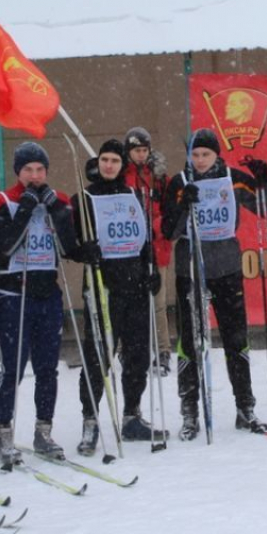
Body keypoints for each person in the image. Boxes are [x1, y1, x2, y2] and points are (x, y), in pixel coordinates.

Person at [161, 128, 267, 441]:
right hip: (191, 268)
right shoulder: (180, 181)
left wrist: (264, 179)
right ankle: (190, 412)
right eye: (195, 155)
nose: (200, 161)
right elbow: (168, 231)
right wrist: (184, 204)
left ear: (216, 154)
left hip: (226, 267)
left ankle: (245, 408)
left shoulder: (233, 177)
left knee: (235, 337)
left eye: (205, 154)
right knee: (191, 341)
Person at [0, 142, 80, 464]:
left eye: (40, 170)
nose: (35, 176)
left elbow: (68, 247)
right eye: (28, 170)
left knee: (47, 369)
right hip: (15, 294)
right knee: (12, 369)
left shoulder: (60, 199)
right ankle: (3, 432)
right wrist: (26, 207)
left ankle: (43, 430)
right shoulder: (4, 201)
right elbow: (5, 245)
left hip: (47, 294)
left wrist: (58, 211)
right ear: (18, 172)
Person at [71, 139, 165, 456]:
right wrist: (82, 250)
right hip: (103, 288)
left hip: (135, 286)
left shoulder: (133, 195)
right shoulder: (84, 199)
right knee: (99, 356)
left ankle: (132, 414)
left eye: (114, 161)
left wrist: (151, 269)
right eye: (104, 160)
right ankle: (90, 419)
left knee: (138, 354)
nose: (108, 165)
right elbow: (69, 244)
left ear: (122, 165)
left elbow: (145, 239)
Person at [122, 127, 173, 375]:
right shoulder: (123, 175)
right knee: (129, 303)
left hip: (156, 247)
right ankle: (126, 351)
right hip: (130, 250)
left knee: (158, 303)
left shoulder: (159, 176)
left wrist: (155, 227)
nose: (141, 155)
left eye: (144, 150)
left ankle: (163, 351)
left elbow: (169, 211)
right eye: (136, 150)